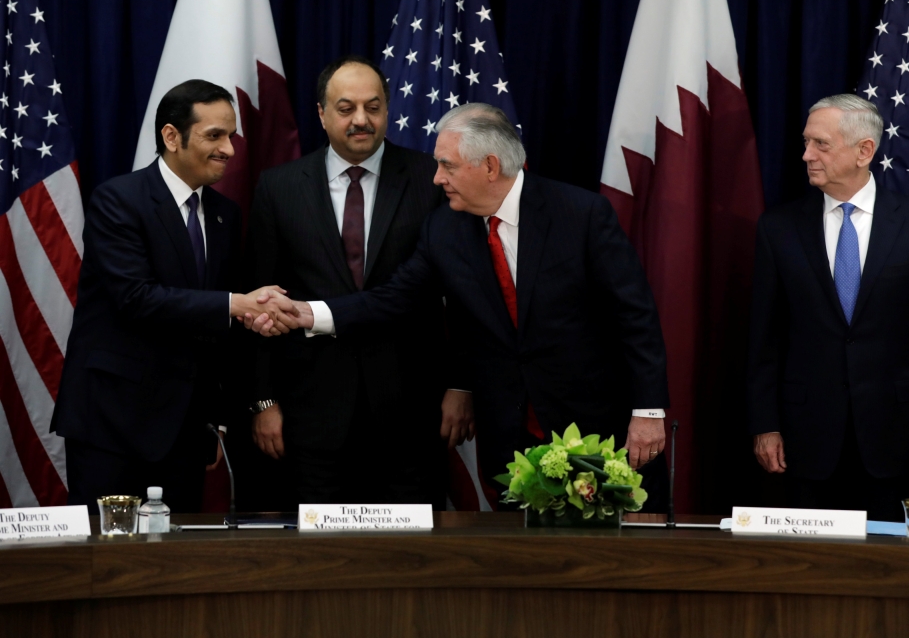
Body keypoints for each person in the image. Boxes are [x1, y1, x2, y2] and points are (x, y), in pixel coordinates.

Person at [251, 102, 670, 496]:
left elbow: (635, 317)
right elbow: (392, 299)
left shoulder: (581, 215)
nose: (436, 178)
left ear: (489, 166)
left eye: (446, 165)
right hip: (509, 431)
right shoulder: (445, 230)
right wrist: (307, 313)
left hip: (591, 423)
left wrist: (648, 411)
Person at [51, 80, 298, 514]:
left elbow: (210, 330)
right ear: (171, 136)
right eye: (214, 135)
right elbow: (137, 298)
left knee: (174, 564)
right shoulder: (119, 200)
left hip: (185, 431)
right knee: (107, 563)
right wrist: (237, 304)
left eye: (231, 136)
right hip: (112, 425)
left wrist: (215, 419)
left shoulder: (225, 215)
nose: (230, 150)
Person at [243, 56, 470, 508]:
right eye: (346, 108)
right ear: (322, 115)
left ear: (388, 109)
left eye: (373, 106)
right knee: (320, 560)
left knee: (410, 558)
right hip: (310, 412)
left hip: (411, 410)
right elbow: (258, 300)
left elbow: (462, 295)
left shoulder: (433, 182)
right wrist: (262, 402)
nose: (361, 120)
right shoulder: (278, 187)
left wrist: (462, 385)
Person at [747, 94, 909, 521]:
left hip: (890, 434)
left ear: (864, 151)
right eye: (807, 143)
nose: (807, 155)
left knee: (883, 568)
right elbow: (763, 338)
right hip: (803, 436)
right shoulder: (778, 227)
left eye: (820, 144)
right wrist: (764, 424)